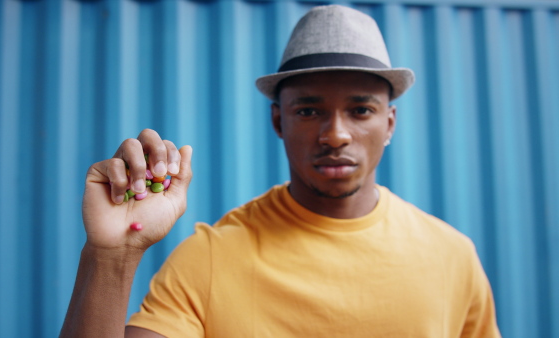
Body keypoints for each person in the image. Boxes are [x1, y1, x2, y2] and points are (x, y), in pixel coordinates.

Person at [60, 5, 501, 337]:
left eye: (361, 110)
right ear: (278, 121)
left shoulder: (453, 257)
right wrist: (111, 255)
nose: (335, 135)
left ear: (388, 124)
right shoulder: (211, 260)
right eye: (309, 110)